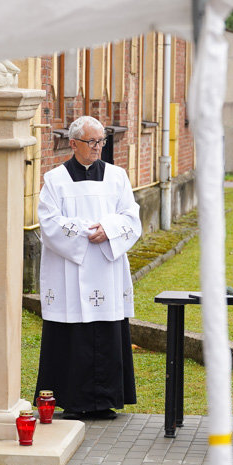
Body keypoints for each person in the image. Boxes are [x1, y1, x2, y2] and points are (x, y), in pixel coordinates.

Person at [33, 115, 141, 420]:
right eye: (91, 142)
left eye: (101, 141)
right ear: (73, 143)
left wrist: (108, 229)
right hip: (70, 271)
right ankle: (72, 400)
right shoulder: (55, 180)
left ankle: (106, 400)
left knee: (106, 331)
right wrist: (85, 233)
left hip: (106, 269)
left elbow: (131, 217)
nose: (97, 147)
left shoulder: (118, 177)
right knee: (71, 336)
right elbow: (50, 223)